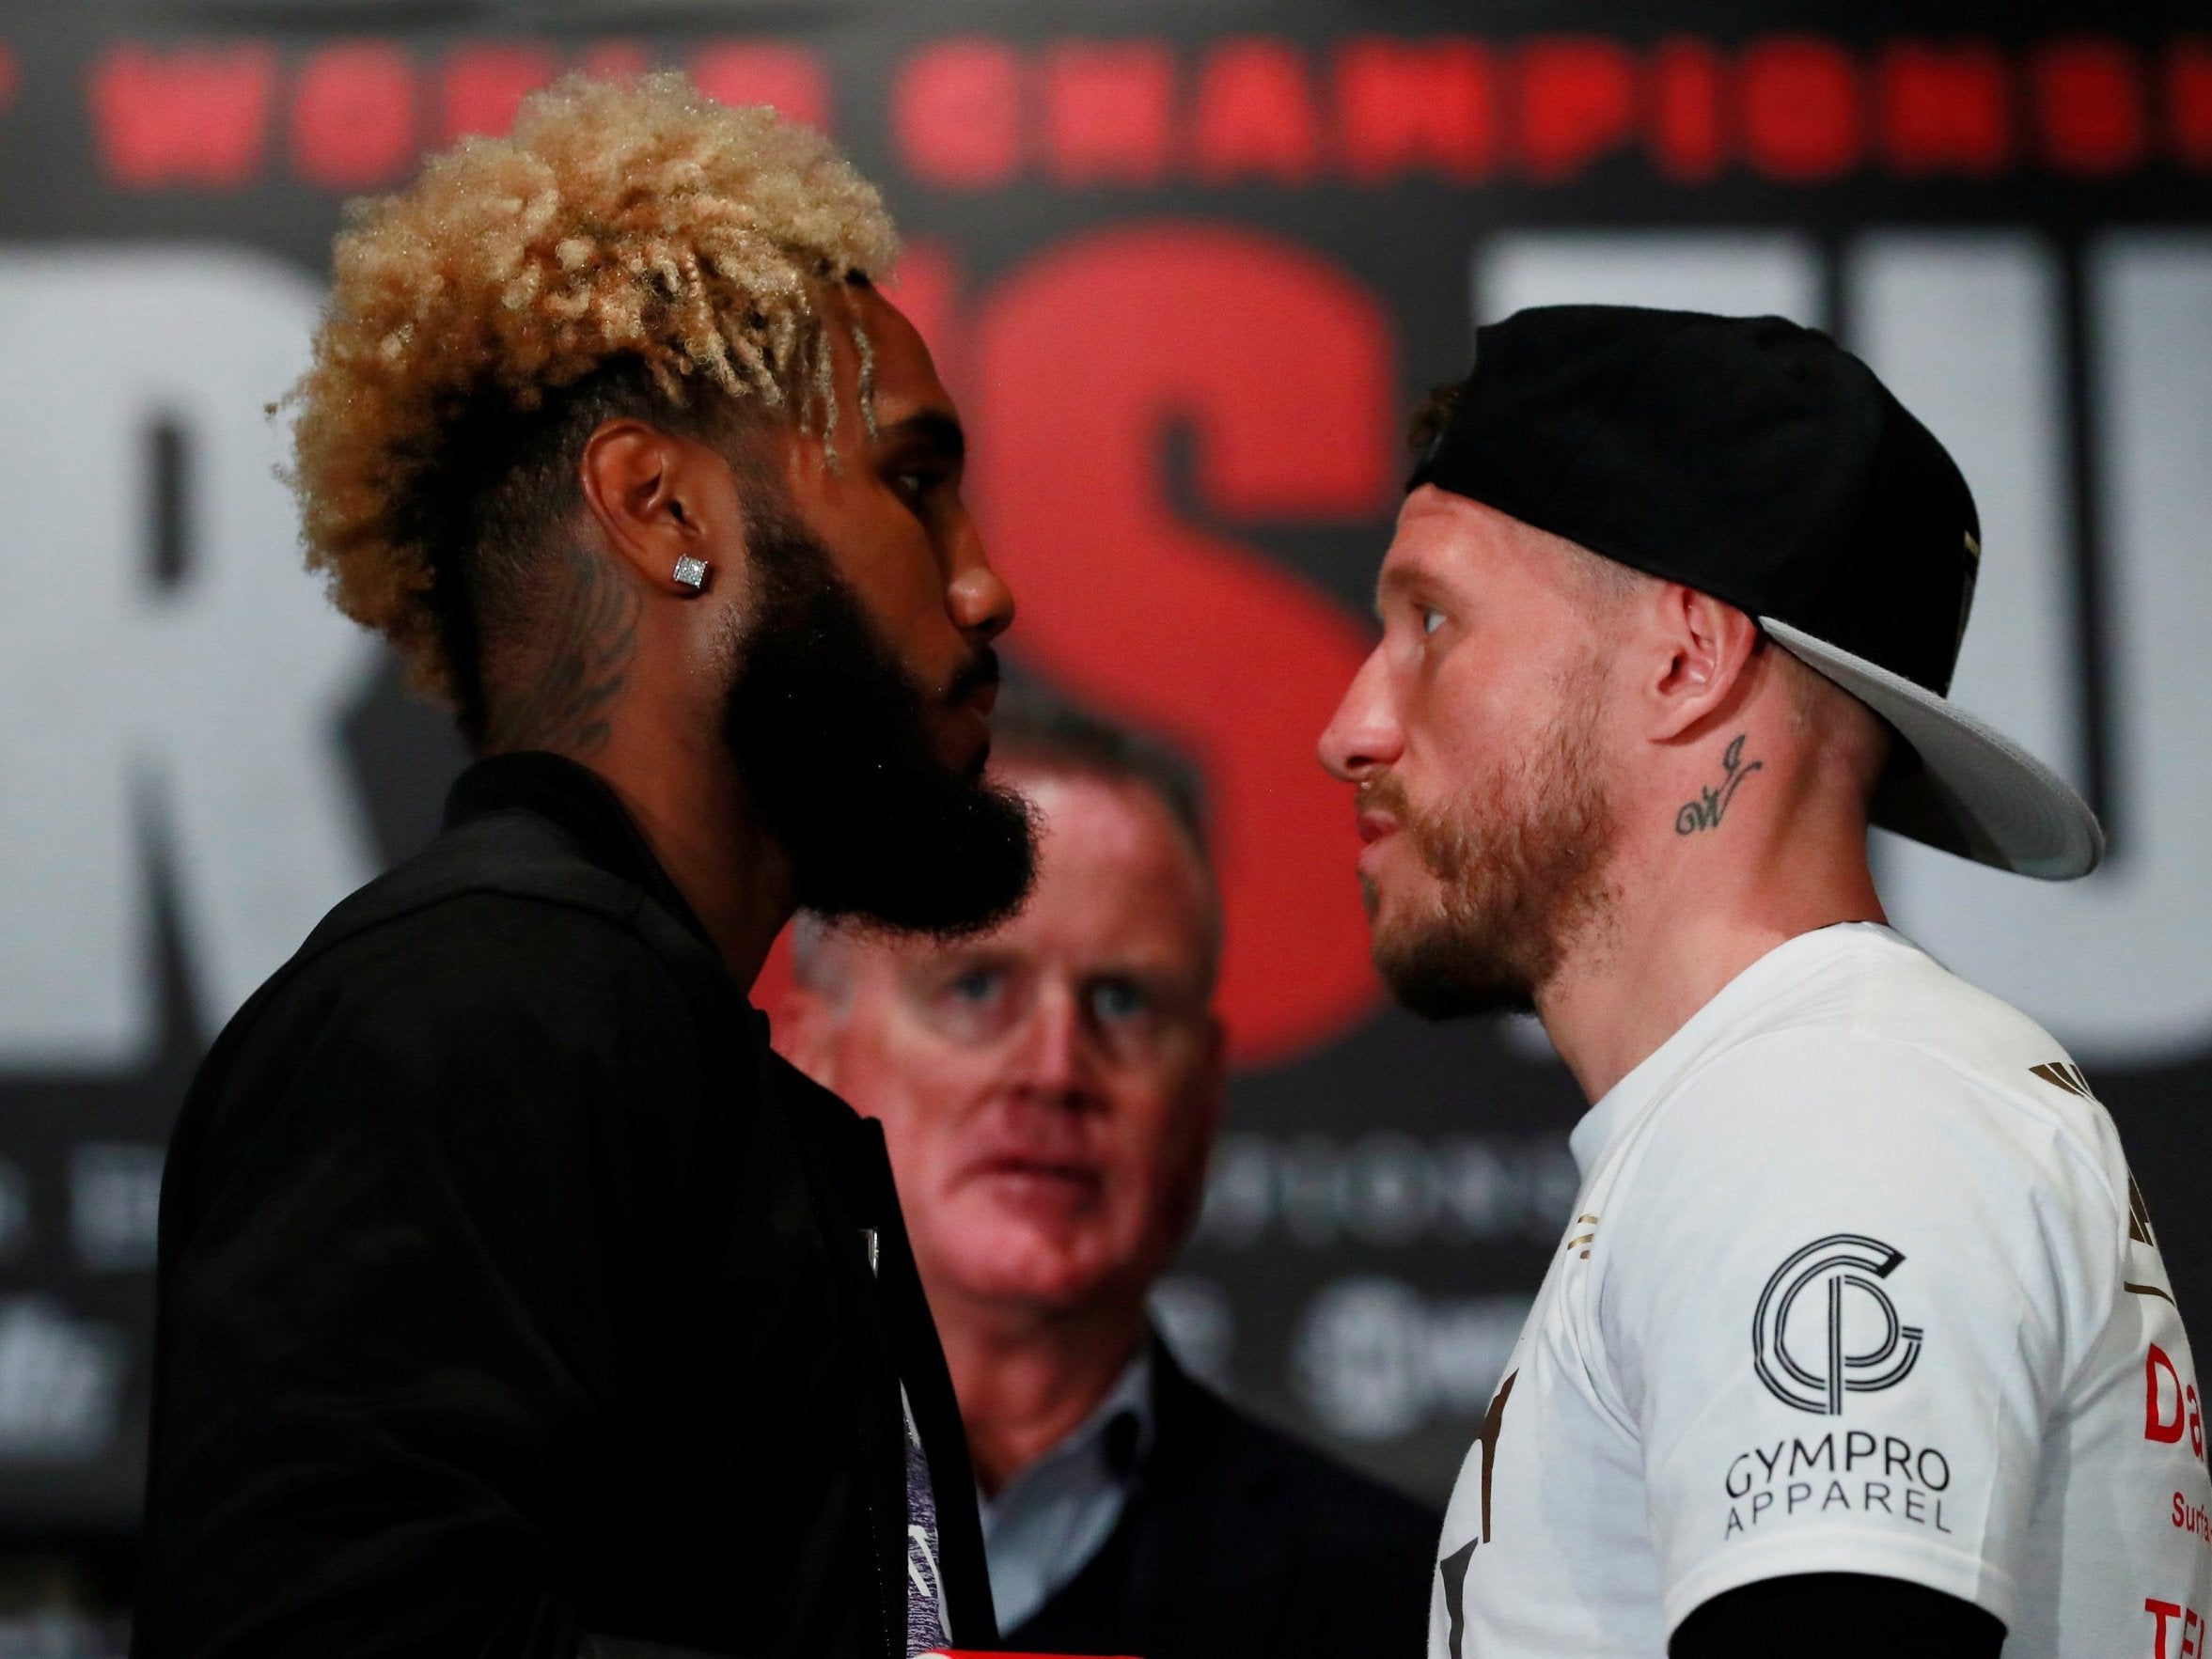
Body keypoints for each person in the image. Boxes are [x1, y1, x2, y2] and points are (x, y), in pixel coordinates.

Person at [136, 75, 1029, 1659]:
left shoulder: (634, 1037)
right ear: (659, 506)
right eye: (911, 480)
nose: (985, 582)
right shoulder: (469, 1014)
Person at [1319, 305, 2210, 1659]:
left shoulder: (1833, 1111)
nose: (1352, 726)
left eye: (1432, 618)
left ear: (1686, 657)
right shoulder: (1794, 1103)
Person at [777, 694, 1441, 1659]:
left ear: (1203, 1095)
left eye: (1122, 1001)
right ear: (810, 1063)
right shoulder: (608, 1534)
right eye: (975, 986)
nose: (1054, 1069)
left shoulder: (1408, 1605)